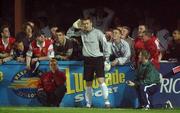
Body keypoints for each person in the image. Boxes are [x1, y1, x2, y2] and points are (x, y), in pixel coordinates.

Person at [67, 17, 111, 108]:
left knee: (101, 81)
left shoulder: (98, 32)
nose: (86, 25)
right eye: (84, 24)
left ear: (91, 23)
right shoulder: (82, 32)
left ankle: (107, 103)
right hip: (87, 60)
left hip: (98, 58)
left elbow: (105, 45)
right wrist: (73, 26)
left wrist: (106, 59)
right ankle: (88, 104)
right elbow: (68, 34)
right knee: (88, 83)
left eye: (87, 23)